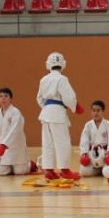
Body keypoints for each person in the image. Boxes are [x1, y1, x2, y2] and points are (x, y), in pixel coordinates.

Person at [37, 52, 84, 181]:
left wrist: (48, 108)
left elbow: (39, 98)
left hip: (46, 113)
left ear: (48, 65)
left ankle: (49, 170)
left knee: (48, 143)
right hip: (57, 113)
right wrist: (75, 107)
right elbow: (68, 97)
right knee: (63, 142)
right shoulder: (62, 79)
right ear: (63, 64)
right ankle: (64, 170)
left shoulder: (43, 80)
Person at [0, 87, 35, 176]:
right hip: (2, 149)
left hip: (16, 148)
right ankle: (10, 166)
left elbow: (15, 130)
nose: (3, 98)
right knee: (0, 171)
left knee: (20, 172)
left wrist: (4, 145)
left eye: (6, 96)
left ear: (11, 99)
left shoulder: (16, 113)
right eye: (1, 96)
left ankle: (30, 164)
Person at [79, 100, 109, 177]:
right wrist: (84, 153)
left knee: (107, 171)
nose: (95, 113)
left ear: (103, 111)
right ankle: (98, 170)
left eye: (98, 110)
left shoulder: (108, 124)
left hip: (105, 154)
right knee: (84, 171)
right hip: (92, 154)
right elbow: (84, 141)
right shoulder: (88, 125)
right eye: (93, 110)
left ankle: (103, 169)